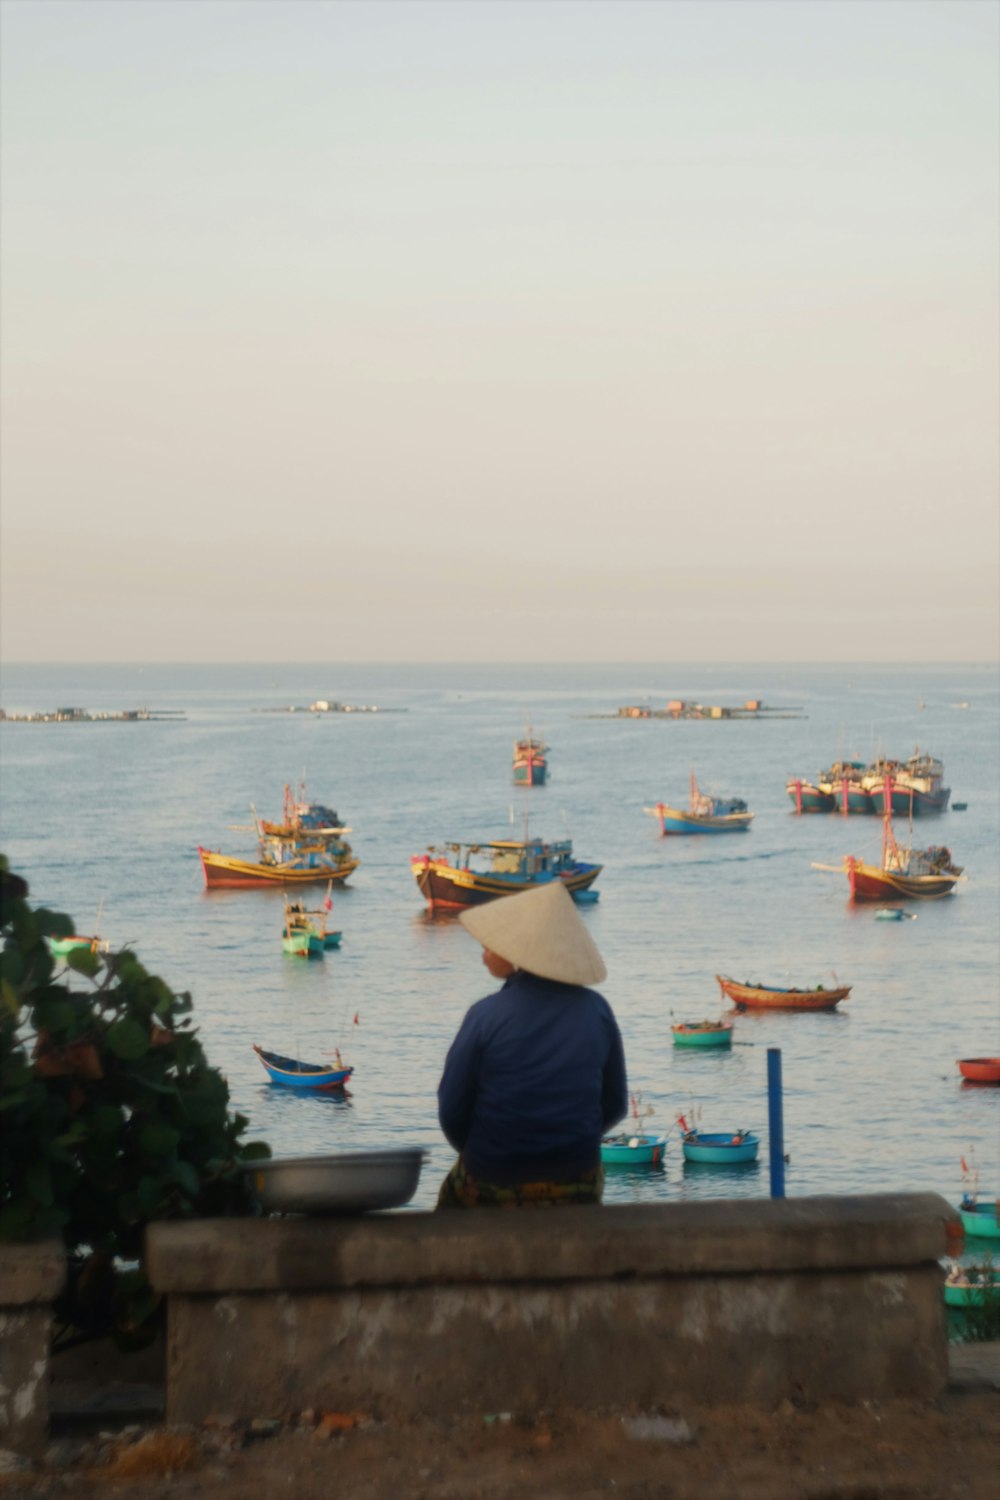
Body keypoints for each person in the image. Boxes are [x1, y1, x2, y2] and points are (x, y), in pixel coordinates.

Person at [436, 881, 628, 1209]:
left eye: (491, 945)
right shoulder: (597, 1011)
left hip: (492, 1178)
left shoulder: (484, 1016)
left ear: (518, 955)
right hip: (576, 1182)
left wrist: (488, 1154)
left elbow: (452, 1111)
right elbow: (614, 1105)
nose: (483, 952)